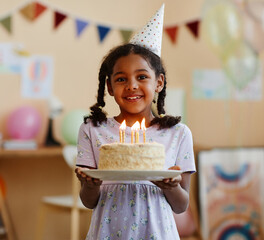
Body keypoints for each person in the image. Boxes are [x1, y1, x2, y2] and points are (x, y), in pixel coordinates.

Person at [75, 4, 196, 240]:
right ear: (109, 86)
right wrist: (89, 184)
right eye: (121, 79)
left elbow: (181, 205)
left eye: (142, 77)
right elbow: (89, 202)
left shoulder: (178, 134)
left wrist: (171, 186)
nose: (131, 85)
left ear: (159, 83)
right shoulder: (92, 130)